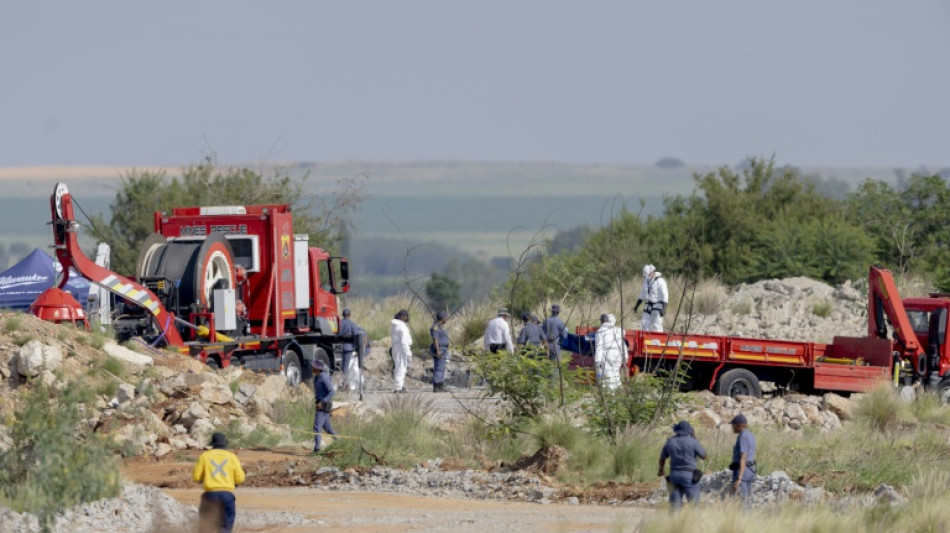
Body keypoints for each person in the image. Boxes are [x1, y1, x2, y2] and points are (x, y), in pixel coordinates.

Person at [193, 432, 245, 533]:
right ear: (224, 444)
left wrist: (203, 478)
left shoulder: (205, 456)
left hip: (210, 495)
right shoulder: (232, 457)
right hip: (227, 496)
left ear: (213, 444)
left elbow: (196, 477)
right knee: (226, 524)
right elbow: (240, 478)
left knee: (206, 524)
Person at [658, 421, 707, 511]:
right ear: (689, 431)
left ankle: (675, 523)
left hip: (674, 475)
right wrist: (695, 438)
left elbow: (662, 458)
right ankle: (695, 523)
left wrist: (661, 470)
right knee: (694, 504)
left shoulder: (670, 442)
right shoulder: (693, 442)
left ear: (677, 430)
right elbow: (703, 456)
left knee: (675, 506)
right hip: (689, 475)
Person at [730, 414, 757, 503]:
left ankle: (743, 516)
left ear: (738, 425)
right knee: (747, 499)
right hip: (751, 468)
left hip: (744, 471)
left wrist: (739, 478)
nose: (732, 428)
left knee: (741, 501)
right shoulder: (750, 435)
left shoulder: (743, 436)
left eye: (733, 425)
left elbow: (743, 457)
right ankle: (748, 516)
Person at [594, 313, 625, 389]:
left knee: (608, 375)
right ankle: (618, 391)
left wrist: (597, 361)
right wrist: (625, 357)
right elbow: (623, 344)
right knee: (616, 374)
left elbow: (599, 347)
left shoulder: (601, 331)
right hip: (618, 354)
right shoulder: (618, 331)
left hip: (608, 354)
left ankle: (610, 395)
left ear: (602, 321)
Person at [634, 264, 669, 332]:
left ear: (653, 272)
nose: (648, 277)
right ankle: (645, 341)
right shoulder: (646, 281)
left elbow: (665, 295)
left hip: (657, 305)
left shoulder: (660, 281)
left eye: (649, 274)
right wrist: (636, 306)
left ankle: (658, 341)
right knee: (644, 325)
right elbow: (642, 294)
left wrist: (664, 308)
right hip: (647, 305)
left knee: (657, 326)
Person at [311, 359, 337, 452]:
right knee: (327, 427)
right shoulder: (317, 377)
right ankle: (339, 441)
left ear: (318, 368)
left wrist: (322, 402)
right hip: (319, 404)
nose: (312, 368)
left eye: (314, 367)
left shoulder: (324, 377)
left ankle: (317, 449)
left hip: (323, 406)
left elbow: (331, 391)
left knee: (317, 426)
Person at [390, 309, 413, 393]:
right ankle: (399, 387)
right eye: (406, 316)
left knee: (398, 367)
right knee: (401, 368)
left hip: (395, 347)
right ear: (402, 317)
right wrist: (408, 354)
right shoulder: (402, 327)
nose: (407, 318)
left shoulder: (395, 325)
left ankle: (398, 386)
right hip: (401, 348)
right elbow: (404, 341)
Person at [338, 308, 360, 391]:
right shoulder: (352, 324)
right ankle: (345, 384)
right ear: (349, 315)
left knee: (340, 366)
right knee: (346, 366)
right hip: (348, 347)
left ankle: (341, 383)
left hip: (338, 346)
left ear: (342, 315)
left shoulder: (339, 323)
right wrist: (357, 349)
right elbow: (357, 336)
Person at [429, 311, 450, 392]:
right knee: (438, 368)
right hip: (440, 349)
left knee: (442, 367)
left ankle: (441, 385)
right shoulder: (436, 327)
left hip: (444, 349)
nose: (446, 319)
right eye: (445, 317)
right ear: (443, 318)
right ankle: (436, 386)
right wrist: (438, 350)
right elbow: (435, 339)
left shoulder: (441, 326)